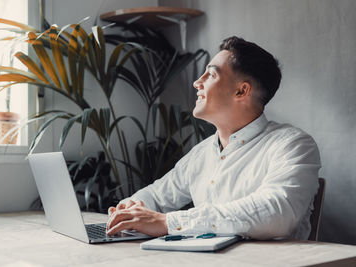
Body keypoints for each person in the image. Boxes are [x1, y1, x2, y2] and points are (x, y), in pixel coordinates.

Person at [106, 36, 321, 240]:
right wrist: (129, 210)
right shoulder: (201, 153)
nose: (197, 83)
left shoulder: (293, 145)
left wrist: (169, 222)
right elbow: (158, 195)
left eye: (211, 74)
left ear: (241, 91)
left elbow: (277, 211)